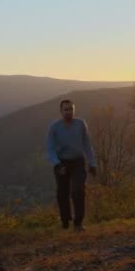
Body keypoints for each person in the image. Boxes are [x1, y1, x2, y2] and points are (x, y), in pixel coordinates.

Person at [46, 99, 97, 231]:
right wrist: (57, 164)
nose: (69, 112)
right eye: (66, 109)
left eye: (71, 109)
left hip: (78, 161)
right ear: (61, 111)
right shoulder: (54, 127)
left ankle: (78, 223)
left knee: (78, 190)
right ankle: (65, 221)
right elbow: (50, 149)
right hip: (61, 162)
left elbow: (87, 144)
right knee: (62, 193)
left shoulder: (80, 124)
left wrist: (92, 163)